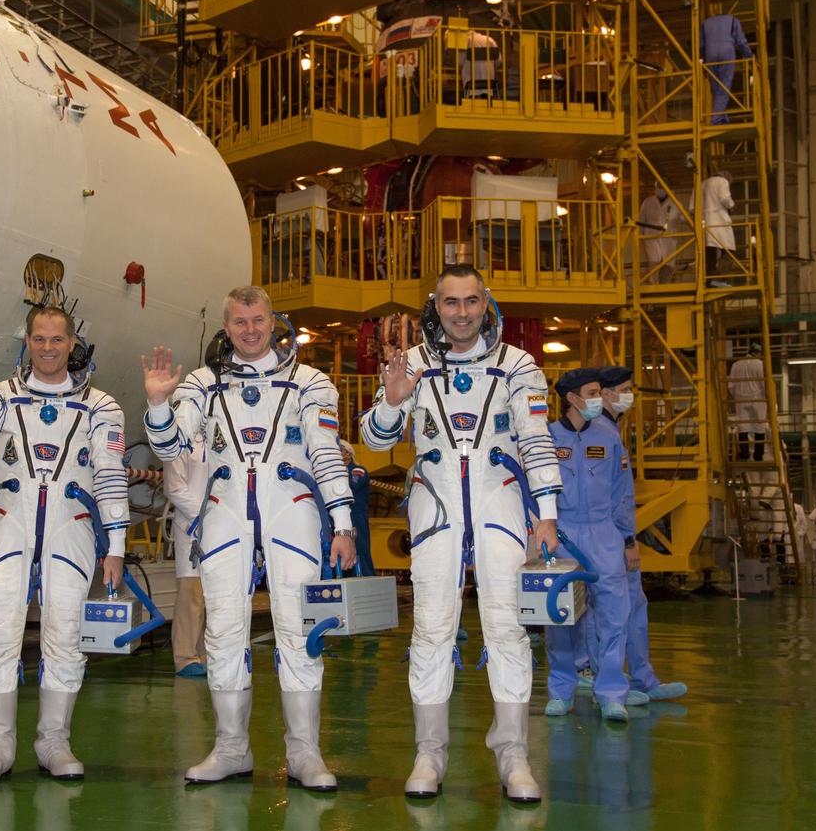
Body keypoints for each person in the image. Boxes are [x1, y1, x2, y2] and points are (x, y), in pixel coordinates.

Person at [142, 286, 357, 791]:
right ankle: (231, 748)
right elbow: (172, 444)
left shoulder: (309, 381)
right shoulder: (202, 382)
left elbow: (326, 453)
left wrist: (343, 521)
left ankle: (304, 753)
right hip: (226, 514)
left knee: (300, 632)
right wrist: (157, 406)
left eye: (257, 319)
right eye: (239, 322)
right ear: (227, 327)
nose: (250, 330)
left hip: (294, 514)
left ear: (272, 320)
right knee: (222, 634)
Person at [360, 265, 560, 803]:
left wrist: (547, 513)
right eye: (452, 303)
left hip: (501, 505)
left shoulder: (517, 366)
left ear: (486, 303)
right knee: (431, 629)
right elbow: (375, 441)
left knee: (507, 627)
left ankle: (513, 753)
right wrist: (393, 398)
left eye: (471, 301)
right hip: (437, 509)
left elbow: (536, 440)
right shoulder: (415, 364)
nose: (463, 312)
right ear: (436, 306)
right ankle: (430, 753)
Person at [0, 306, 129, 785]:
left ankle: (54, 741)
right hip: (9, 525)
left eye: (57, 339)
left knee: (65, 634)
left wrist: (114, 544)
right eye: (39, 339)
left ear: (73, 342)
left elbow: (111, 477)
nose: (48, 348)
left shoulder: (102, 406)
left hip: (70, 527)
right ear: (27, 341)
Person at [543, 368, 632, 723]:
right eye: (593, 392)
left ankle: (611, 692)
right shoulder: (545, 438)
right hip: (561, 534)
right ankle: (561, 689)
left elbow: (623, 492)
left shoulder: (609, 437)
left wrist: (628, 538)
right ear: (572, 398)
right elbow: (530, 492)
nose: (600, 398)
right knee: (560, 618)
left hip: (603, 534)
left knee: (614, 615)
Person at [595, 366, 687, 703]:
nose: (630, 396)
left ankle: (641, 679)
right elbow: (610, 495)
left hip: (615, 534)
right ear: (605, 393)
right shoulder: (602, 434)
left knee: (631, 607)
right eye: (625, 389)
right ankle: (613, 683)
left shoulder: (610, 430)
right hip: (610, 538)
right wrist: (627, 540)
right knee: (613, 612)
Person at [164, 443, 210, 677]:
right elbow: (174, 488)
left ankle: (205, 653)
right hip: (193, 526)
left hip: (223, 526)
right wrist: (206, 516)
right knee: (191, 593)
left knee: (213, 595)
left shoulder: (217, 434)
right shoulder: (179, 441)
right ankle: (185, 657)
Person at [700, 14, 753, 124]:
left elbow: (701, 46)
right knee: (724, 86)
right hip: (726, 52)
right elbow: (741, 42)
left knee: (716, 88)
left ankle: (722, 116)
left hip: (710, 54)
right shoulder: (733, 20)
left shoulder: (705, 23)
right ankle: (716, 118)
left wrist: (703, 60)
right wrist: (749, 56)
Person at [339, 439, 376, 575]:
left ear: (348, 454)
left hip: (355, 520)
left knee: (360, 552)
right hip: (339, 520)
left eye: (340, 450)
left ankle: (367, 584)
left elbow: (350, 487)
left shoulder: (358, 470)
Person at [727, 342, 765, 462]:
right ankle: (758, 456)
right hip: (757, 398)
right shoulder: (760, 364)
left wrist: (737, 396)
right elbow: (764, 383)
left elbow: (731, 385)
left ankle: (745, 455)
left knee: (742, 427)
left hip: (740, 399)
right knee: (759, 427)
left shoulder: (735, 365)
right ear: (758, 353)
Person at [694, 170, 736, 278]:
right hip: (719, 221)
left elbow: (691, 207)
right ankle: (722, 278)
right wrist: (732, 205)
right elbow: (725, 198)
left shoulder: (701, 184)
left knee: (709, 253)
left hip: (704, 223)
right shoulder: (722, 181)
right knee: (728, 251)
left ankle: (710, 279)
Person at [638, 184, 683, 280]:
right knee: (654, 264)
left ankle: (666, 286)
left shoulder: (675, 203)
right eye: (659, 187)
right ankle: (653, 287)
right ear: (655, 188)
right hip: (651, 239)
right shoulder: (647, 202)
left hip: (669, 240)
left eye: (663, 187)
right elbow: (641, 222)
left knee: (668, 266)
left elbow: (683, 218)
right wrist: (642, 237)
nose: (661, 190)